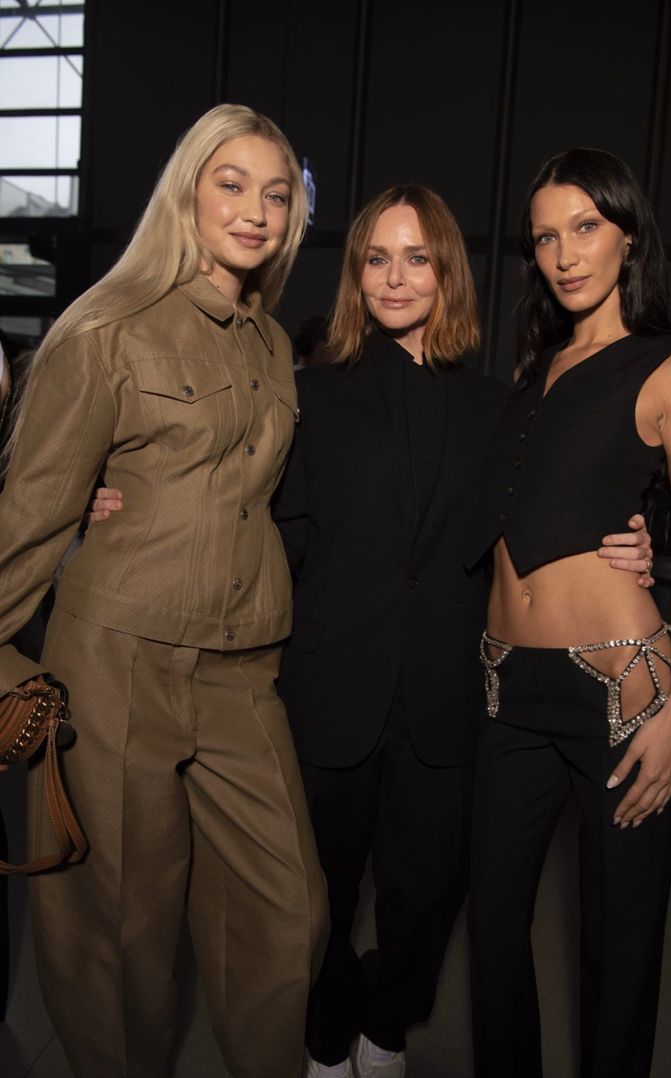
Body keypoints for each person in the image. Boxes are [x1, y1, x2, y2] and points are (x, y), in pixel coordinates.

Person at [90, 184, 654, 1078]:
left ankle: (387, 1031)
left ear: (446, 273)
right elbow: (234, 504)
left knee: (429, 897)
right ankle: (324, 1040)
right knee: (309, 904)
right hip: (324, 691)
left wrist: (631, 541)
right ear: (356, 273)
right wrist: (115, 496)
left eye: (417, 257)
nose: (396, 277)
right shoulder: (304, 396)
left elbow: (554, 509)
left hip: (447, 696)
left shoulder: (499, 408)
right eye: (377, 257)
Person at [0, 104, 328, 1078]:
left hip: (241, 668)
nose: (257, 210)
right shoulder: (104, 328)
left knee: (290, 910)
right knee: (120, 936)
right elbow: (31, 515)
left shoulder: (271, 345)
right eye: (231, 183)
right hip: (118, 664)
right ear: (187, 191)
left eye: (276, 194)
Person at [467, 148, 671, 1078]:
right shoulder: (534, 370)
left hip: (624, 689)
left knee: (618, 945)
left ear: (628, 234)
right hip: (506, 687)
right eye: (546, 235)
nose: (566, 253)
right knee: (493, 924)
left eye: (586, 227)